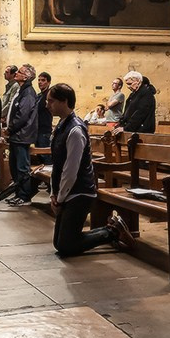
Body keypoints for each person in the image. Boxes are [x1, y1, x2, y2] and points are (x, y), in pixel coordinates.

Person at [46, 83, 133, 258]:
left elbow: (71, 170)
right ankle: (112, 229)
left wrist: (60, 200)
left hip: (80, 193)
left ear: (64, 101)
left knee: (66, 246)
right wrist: (53, 194)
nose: (47, 105)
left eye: (51, 101)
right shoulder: (61, 125)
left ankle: (112, 232)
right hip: (66, 192)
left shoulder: (75, 130)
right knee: (59, 243)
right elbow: (57, 164)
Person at [4, 64, 39, 207]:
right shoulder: (22, 90)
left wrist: (10, 129)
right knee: (14, 167)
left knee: (22, 167)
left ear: (26, 77)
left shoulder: (28, 93)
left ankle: (24, 196)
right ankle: (18, 193)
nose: (16, 73)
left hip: (22, 136)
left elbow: (23, 115)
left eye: (19, 72)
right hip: (17, 135)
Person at [35, 72, 54, 149]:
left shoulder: (49, 95)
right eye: (39, 80)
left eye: (43, 80)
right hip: (37, 130)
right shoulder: (38, 96)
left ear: (48, 82)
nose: (40, 82)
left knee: (44, 153)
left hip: (44, 130)